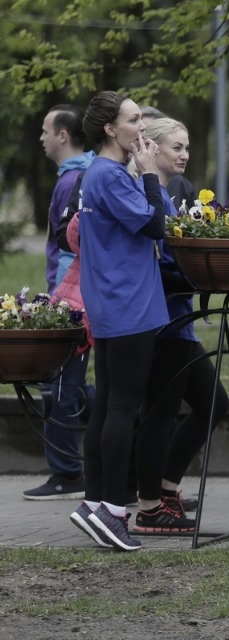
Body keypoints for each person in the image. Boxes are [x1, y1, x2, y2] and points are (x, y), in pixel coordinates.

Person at [68, 91, 169, 551]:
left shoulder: (98, 174)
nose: (142, 128)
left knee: (109, 404)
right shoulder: (111, 175)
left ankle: (93, 505)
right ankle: (112, 510)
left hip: (112, 302)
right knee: (123, 408)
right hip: (129, 305)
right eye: (133, 120)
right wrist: (151, 174)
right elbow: (155, 225)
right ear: (111, 129)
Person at [132, 117, 229, 533]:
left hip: (180, 322)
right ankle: (150, 507)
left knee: (214, 404)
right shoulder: (146, 194)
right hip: (163, 323)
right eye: (176, 147)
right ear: (151, 150)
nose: (185, 154)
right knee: (160, 413)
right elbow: (156, 265)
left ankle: (166, 490)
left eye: (187, 146)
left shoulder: (167, 197)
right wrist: (200, 275)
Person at [24, 105, 94, 501]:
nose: (41, 137)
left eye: (46, 130)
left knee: (62, 386)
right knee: (71, 386)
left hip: (72, 302)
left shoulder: (73, 182)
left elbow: (71, 247)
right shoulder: (73, 178)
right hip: (71, 295)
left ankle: (68, 474)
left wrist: (63, 305)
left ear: (63, 135)